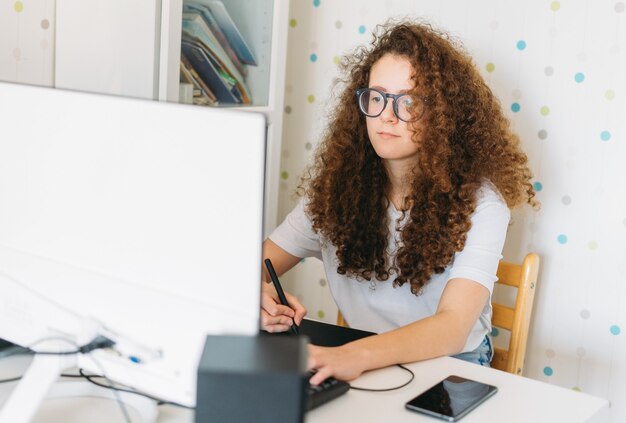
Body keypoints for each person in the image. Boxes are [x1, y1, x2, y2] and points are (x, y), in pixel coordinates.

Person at [260, 20, 537, 386]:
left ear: (443, 113)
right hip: (360, 356)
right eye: (376, 97)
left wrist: (352, 357)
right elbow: (258, 264)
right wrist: (257, 294)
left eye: (408, 101)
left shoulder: (482, 202)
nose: (386, 115)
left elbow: (453, 328)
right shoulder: (334, 191)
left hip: (452, 364)